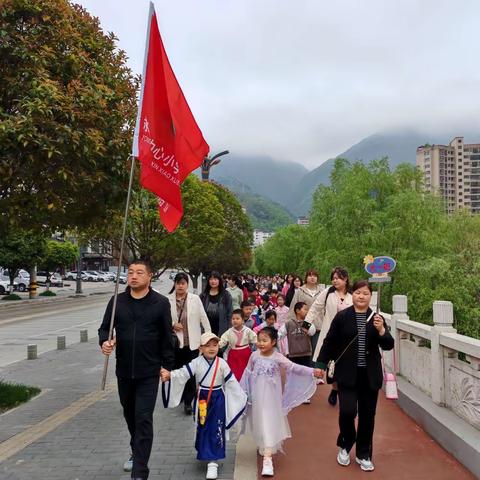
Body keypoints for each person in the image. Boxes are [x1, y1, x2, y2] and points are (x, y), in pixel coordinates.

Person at [98, 260, 175, 480]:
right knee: (130, 415)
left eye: (139, 272)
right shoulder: (117, 301)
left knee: (143, 417)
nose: (133, 276)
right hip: (123, 371)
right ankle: (136, 448)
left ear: (149, 276)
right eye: (130, 272)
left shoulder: (159, 303)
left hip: (149, 372)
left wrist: (167, 366)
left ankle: (140, 470)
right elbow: (105, 328)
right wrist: (105, 341)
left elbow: (167, 337)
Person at [317, 280, 394, 472]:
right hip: (347, 374)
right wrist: (320, 364)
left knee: (368, 417)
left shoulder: (377, 319)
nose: (361, 296)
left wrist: (382, 330)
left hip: (370, 376)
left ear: (371, 296)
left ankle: (364, 453)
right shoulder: (343, 317)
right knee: (347, 412)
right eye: (358, 293)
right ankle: (346, 443)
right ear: (353, 295)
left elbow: (388, 345)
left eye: (365, 293)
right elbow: (330, 341)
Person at [161, 332, 247, 480]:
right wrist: (170, 375)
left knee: (215, 427)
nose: (212, 348)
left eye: (214, 345)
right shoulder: (196, 362)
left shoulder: (222, 363)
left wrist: (242, 396)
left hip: (218, 399)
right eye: (208, 345)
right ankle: (205, 452)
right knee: (203, 426)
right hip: (202, 399)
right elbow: (183, 373)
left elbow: (231, 382)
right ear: (201, 348)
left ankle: (213, 462)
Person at [240, 327, 323, 476]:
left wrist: (312, 371)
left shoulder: (277, 357)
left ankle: (267, 459)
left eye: (264, 340)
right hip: (257, 398)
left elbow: (294, 368)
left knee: (268, 423)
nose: (261, 343)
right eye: (259, 340)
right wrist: (243, 393)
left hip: (272, 400)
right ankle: (265, 446)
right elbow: (247, 374)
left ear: (273, 342)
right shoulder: (254, 356)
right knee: (260, 422)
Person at [307, 266, 353, 405]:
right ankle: (334, 389)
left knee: (346, 366)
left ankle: (344, 391)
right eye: (333, 278)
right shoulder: (328, 293)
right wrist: (307, 322)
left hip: (348, 337)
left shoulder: (353, 294)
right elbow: (315, 307)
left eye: (338, 278)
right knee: (332, 366)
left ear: (345, 279)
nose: (335, 281)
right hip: (331, 336)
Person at [167, 272, 211, 415]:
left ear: (187, 285)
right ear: (174, 284)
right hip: (176, 344)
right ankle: (179, 396)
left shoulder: (195, 299)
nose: (180, 285)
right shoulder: (168, 300)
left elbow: (204, 319)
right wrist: (173, 324)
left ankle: (188, 402)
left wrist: (207, 339)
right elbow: (162, 321)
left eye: (183, 283)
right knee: (178, 372)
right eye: (178, 283)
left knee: (191, 373)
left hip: (192, 344)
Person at [219, 309, 257, 380]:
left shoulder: (247, 331)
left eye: (237, 318)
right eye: (233, 319)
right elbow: (222, 341)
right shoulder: (229, 332)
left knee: (245, 373)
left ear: (242, 320)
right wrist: (217, 345)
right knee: (234, 374)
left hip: (245, 354)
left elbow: (255, 339)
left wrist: (260, 346)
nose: (235, 320)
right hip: (233, 355)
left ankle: (245, 389)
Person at [279, 302, 316, 367]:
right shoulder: (289, 323)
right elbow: (280, 335)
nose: (307, 311)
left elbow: (312, 332)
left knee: (305, 373)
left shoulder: (306, 322)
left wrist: (307, 323)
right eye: (305, 309)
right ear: (298, 311)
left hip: (306, 354)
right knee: (294, 374)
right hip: (293, 354)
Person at [200, 271, 233, 336]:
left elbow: (230, 313)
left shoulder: (226, 295)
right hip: (206, 327)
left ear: (219, 281)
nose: (213, 281)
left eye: (215, 279)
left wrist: (229, 328)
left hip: (222, 327)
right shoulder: (203, 295)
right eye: (211, 279)